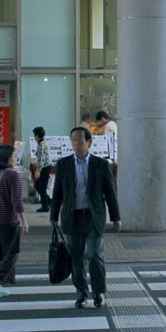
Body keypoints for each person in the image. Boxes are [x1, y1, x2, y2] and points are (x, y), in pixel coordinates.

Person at [51, 127, 121, 308]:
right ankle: (82, 293)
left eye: (79, 141)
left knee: (94, 255)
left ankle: (99, 293)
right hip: (72, 218)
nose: (76, 145)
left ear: (89, 142)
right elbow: (57, 193)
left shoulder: (100, 164)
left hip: (93, 217)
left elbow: (110, 193)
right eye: (73, 141)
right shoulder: (64, 164)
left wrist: (116, 217)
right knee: (76, 258)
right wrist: (53, 215)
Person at [0, 144, 29, 300]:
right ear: (7, 158)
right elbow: (17, 202)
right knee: (12, 253)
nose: (15, 159)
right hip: (7, 221)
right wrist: (24, 221)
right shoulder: (12, 175)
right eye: (14, 156)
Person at [32, 126, 52, 213]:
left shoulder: (40, 145)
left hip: (44, 168)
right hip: (47, 166)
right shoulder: (44, 142)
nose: (34, 137)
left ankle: (45, 206)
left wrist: (37, 171)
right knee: (39, 186)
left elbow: (41, 159)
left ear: (37, 136)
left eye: (34, 135)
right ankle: (49, 202)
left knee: (41, 187)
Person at [95, 111, 118, 177]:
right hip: (115, 151)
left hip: (109, 153)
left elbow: (105, 140)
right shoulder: (113, 123)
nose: (100, 123)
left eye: (99, 121)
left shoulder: (107, 126)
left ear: (102, 118)